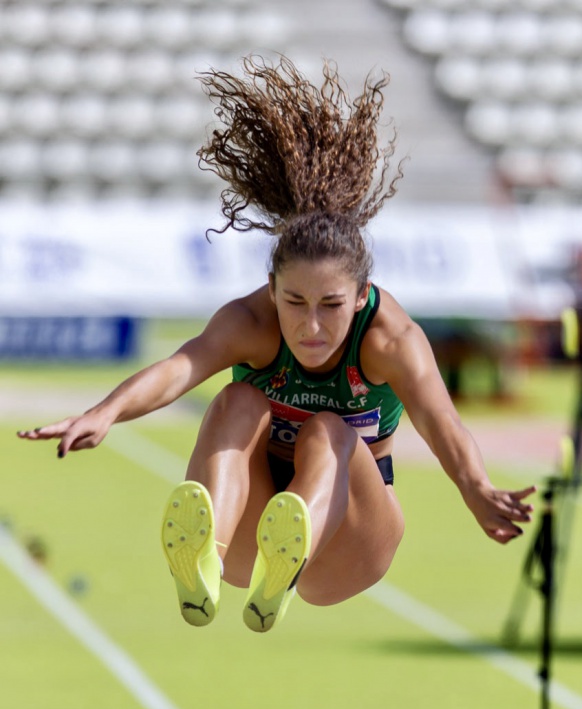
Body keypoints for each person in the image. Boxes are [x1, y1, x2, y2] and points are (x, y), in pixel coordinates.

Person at [18, 56, 534, 633]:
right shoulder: (250, 322)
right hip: (253, 533)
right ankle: (205, 559)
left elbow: (442, 424)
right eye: (295, 303)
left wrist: (477, 489)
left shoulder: (391, 338)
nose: (311, 326)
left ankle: (291, 556)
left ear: (361, 296)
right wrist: (105, 412)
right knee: (234, 403)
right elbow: (178, 368)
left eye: (331, 306)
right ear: (272, 288)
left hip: (351, 542)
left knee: (328, 431)